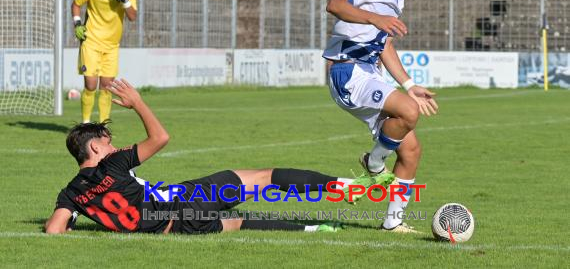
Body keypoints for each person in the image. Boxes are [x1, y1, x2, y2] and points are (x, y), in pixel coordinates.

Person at [45, 79, 393, 235]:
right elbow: (160, 138)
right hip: (184, 202)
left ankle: (319, 228)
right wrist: (137, 103)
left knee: (239, 223)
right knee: (264, 178)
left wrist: (82, 217)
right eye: (108, 141)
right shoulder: (112, 163)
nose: (113, 146)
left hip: (176, 230)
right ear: (95, 148)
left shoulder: (71, 192)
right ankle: (347, 188)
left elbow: (54, 230)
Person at [323, 0, 438, 233]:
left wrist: (411, 86)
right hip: (347, 71)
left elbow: (384, 45)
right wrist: (375, 17)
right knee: (408, 112)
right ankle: (374, 163)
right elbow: (334, 4)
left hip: (368, 73)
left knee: (411, 149)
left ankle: (393, 223)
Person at [72, 0, 137, 123]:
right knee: (91, 85)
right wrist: (77, 23)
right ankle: (86, 124)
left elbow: (132, 17)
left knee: (107, 87)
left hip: (112, 46)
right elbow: (76, 4)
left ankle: (103, 126)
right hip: (91, 42)